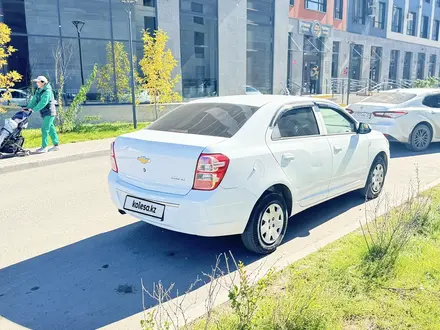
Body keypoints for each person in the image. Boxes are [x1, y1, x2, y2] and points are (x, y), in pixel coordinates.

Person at [26, 76, 60, 153]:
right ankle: (56, 145)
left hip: (50, 112)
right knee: (51, 129)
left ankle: (44, 147)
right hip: (44, 113)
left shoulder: (47, 91)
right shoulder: (38, 90)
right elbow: (34, 100)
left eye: (38, 82)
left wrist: (34, 109)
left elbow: (43, 102)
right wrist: (28, 107)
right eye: (36, 82)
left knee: (44, 128)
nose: (36, 83)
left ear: (42, 82)